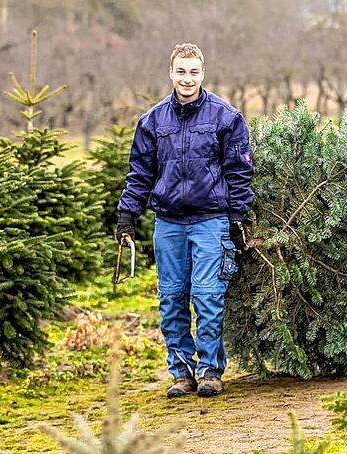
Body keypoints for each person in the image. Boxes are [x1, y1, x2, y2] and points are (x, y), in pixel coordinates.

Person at [116, 43, 254, 398]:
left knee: (208, 297)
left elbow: (239, 172)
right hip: (169, 223)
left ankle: (210, 371)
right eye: (181, 71)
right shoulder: (152, 121)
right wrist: (127, 215)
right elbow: (139, 174)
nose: (187, 78)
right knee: (172, 298)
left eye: (193, 72)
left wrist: (237, 217)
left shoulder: (226, 117)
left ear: (203, 73)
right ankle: (181, 373)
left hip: (211, 221)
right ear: (171, 73)